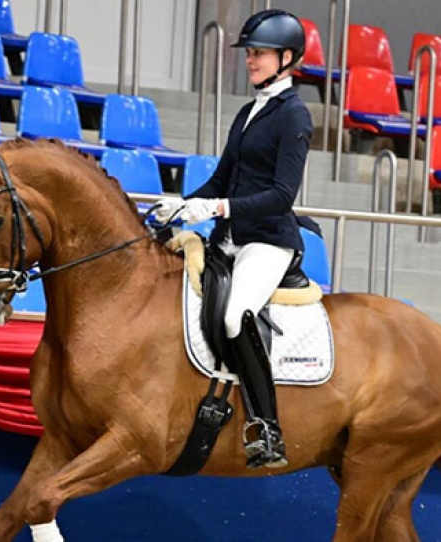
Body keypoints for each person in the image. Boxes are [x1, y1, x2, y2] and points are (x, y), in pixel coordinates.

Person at [155, 9, 312, 469]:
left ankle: (268, 427)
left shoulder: (295, 116)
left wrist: (218, 208)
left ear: (286, 57)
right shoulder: (249, 111)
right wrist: (183, 205)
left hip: (267, 240)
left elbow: (282, 196)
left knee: (234, 314)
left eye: (259, 54)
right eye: (250, 54)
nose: (250, 61)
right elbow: (223, 177)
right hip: (229, 238)